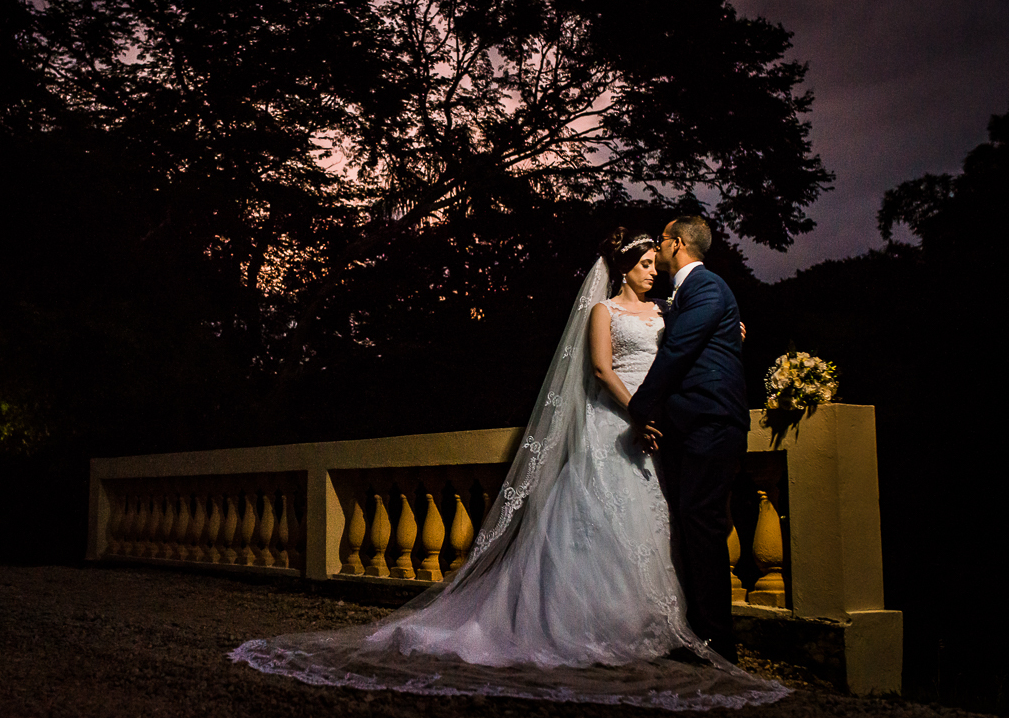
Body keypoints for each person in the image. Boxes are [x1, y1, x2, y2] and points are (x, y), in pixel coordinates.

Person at [230, 229, 787, 709]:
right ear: (622, 269)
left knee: (657, 526)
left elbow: (693, 342)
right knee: (599, 522)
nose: (652, 271)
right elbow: (599, 369)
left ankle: (657, 626)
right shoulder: (604, 311)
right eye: (643, 264)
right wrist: (638, 412)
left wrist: (729, 333)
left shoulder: (669, 309)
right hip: (618, 421)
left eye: (653, 263)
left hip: (657, 428)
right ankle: (586, 625)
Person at [629, 216, 749, 664]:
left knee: (703, 524)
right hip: (690, 425)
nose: (657, 248)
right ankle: (699, 633)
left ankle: (717, 643)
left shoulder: (708, 287)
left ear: (676, 243)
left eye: (661, 240)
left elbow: (678, 349)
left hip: (711, 422)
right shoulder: (685, 295)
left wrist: (639, 406)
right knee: (690, 525)